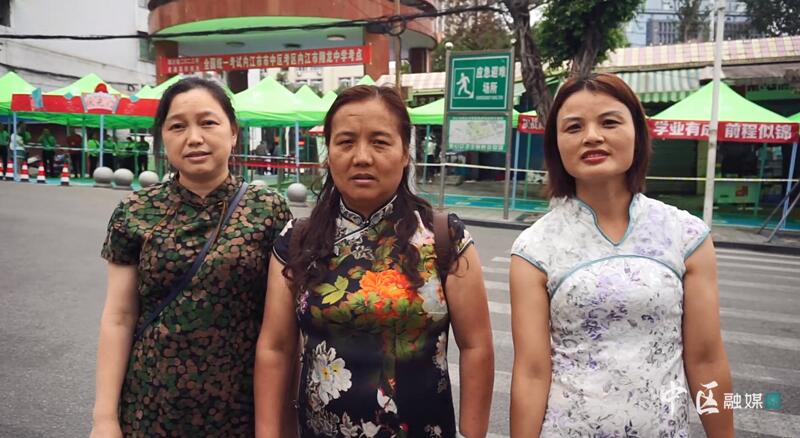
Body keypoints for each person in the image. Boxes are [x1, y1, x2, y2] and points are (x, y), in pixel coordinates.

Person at [255, 85, 494, 438]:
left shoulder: (444, 237)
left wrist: (473, 434)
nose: (362, 157)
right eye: (346, 142)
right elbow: (275, 348)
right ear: (328, 154)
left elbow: (476, 347)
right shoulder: (298, 240)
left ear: (405, 153)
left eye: (380, 142)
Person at [509, 73, 733, 437]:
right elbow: (532, 373)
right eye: (574, 127)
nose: (592, 136)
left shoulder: (686, 235)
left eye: (609, 122)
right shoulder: (533, 249)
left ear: (638, 134)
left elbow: (706, 361)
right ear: (556, 145)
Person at [90, 77, 292, 437]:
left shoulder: (269, 209)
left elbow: (280, 331)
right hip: (150, 406)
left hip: (240, 409)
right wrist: (104, 418)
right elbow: (119, 317)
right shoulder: (134, 211)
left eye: (208, 122)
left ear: (233, 132)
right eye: (178, 126)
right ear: (162, 138)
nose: (194, 137)